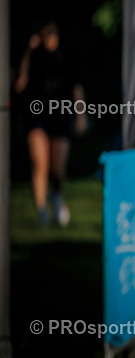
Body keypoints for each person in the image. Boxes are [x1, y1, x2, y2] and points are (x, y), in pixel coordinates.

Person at [13, 22, 85, 226]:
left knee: (58, 170)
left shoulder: (66, 58)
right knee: (40, 163)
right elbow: (19, 84)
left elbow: (76, 88)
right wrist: (28, 50)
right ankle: (42, 211)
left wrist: (81, 115)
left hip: (61, 116)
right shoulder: (33, 57)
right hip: (37, 117)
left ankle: (56, 195)